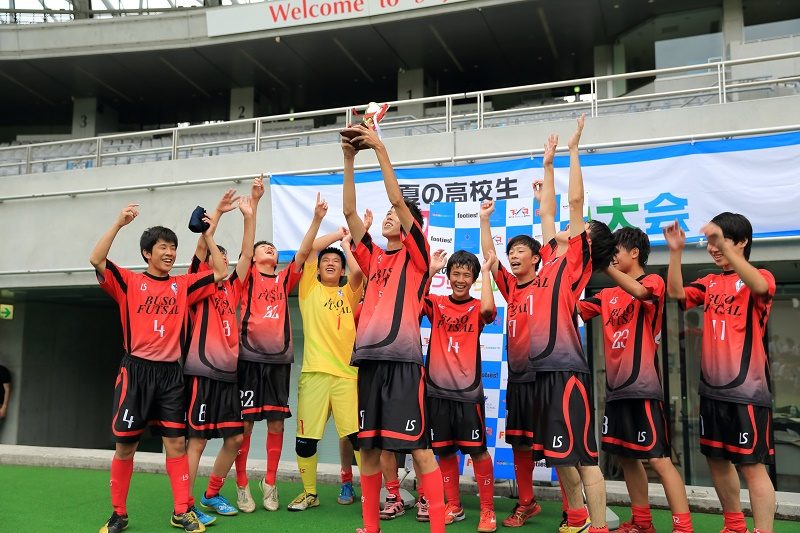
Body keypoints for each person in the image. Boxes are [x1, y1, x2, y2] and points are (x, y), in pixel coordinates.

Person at [91, 203, 228, 533]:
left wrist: (208, 234)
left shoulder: (182, 285)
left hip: (170, 375)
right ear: (147, 253)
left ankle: (182, 511)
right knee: (126, 446)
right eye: (163, 247)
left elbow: (221, 272)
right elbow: (96, 259)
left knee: (176, 445)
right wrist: (118, 223)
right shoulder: (128, 282)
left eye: (173, 247)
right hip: (135, 372)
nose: (169, 253)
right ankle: (119, 514)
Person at [341, 124, 446, 533]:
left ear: (409, 226)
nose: (388, 215)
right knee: (368, 450)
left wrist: (380, 149)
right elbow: (350, 215)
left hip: (403, 365)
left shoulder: (417, 257)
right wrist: (349, 159)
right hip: (369, 363)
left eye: (393, 216)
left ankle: (437, 527)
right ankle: (371, 526)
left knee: (419, 451)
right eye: (385, 215)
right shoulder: (373, 258)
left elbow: (398, 200)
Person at [528, 118, 615, 533]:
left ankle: (598, 526)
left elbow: (575, 202)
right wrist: (547, 166)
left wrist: (573, 150)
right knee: (559, 454)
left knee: (582, 457)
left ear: (587, 240)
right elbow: (548, 212)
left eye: (579, 227)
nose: (566, 225)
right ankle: (577, 517)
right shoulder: (550, 257)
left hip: (566, 371)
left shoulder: (577, 258)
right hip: (543, 370)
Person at [664, 213, 776, 533]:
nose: (712, 248)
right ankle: (734, 525)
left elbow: (759, 285)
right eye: (710, 242)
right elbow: (676, 293)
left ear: (741, 242)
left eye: (720, 240)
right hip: (711, 391)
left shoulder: (760, 276)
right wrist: (675, 252)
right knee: (716, 459)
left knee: (752, 466)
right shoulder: (710, 282)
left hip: (748, 392)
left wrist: (726, 250)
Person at [578, 226, 693, 533]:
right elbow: (572, 309)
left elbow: (641, 293)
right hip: (615, 392)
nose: (612, 257)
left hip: (644, 389)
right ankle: (642, 522)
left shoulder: (652, 281)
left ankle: (683, 527)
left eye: (615, 251)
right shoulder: (606, 295)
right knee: (626, 458)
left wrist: (603, 265)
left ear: (634, 252)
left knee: (659, 460)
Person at [233, 191, 329, 513]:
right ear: (254, 257)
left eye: (272, 248)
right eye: (264, 247)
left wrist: (316, 218)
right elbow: (246, 250)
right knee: (245, 426)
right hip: (249, 360)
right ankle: (242, 484)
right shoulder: (246, 277)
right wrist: (253, 208)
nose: (269, 249)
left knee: (277, 424)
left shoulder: (284, 279)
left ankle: (270, 483)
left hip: (278, 362)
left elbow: (303, 252)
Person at [183, 181, 261, 526]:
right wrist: (214, 215)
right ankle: (184, 504)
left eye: (226, 258)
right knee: (197, 442)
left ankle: (211, 493)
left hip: (229, 375)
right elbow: (202, 243)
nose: (224, 261)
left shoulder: (233, 287)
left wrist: (249, 214)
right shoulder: (196, 283)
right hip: (201, 372)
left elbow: (247, 255)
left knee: (235, 438)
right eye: (219, 257)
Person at [289, 212, 365, 511]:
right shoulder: (309, 288)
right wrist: (332, 232)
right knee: (305, 440)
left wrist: (346, 245)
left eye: (336, 262)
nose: (330, 263)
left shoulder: (349, 292)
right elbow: (308, 249)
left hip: (347, 376)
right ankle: (310, 493)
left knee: (357, 439)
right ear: (318, 268)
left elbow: (358, 272)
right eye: (326, 261)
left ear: (342, 268)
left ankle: (371, 494)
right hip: (314, 375)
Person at [422, 249, 498, 532]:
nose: (461, 279)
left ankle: (488, 510)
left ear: (473, 279)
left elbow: (489, 311)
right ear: (449, 276)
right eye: (456, 273)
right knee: (444, 452)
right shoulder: (437, 303)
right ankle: (454, 505)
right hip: (437, 392)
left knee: (478, 452)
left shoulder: (477, 307)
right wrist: (431, 271)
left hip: (467, 394)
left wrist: (487, 272)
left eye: (467, 275)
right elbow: (414, 300)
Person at [479, 201, 543, 528]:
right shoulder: (511, 287)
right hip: (518, 379)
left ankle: (574, 508)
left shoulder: (548, 286)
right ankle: (527, 502)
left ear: (536, 258)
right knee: (519, 442)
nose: (514, 255)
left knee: (557, 446)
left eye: (520, 251)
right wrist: (484, 220)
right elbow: (490, 257)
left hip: (547, 379)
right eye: (512, 251)